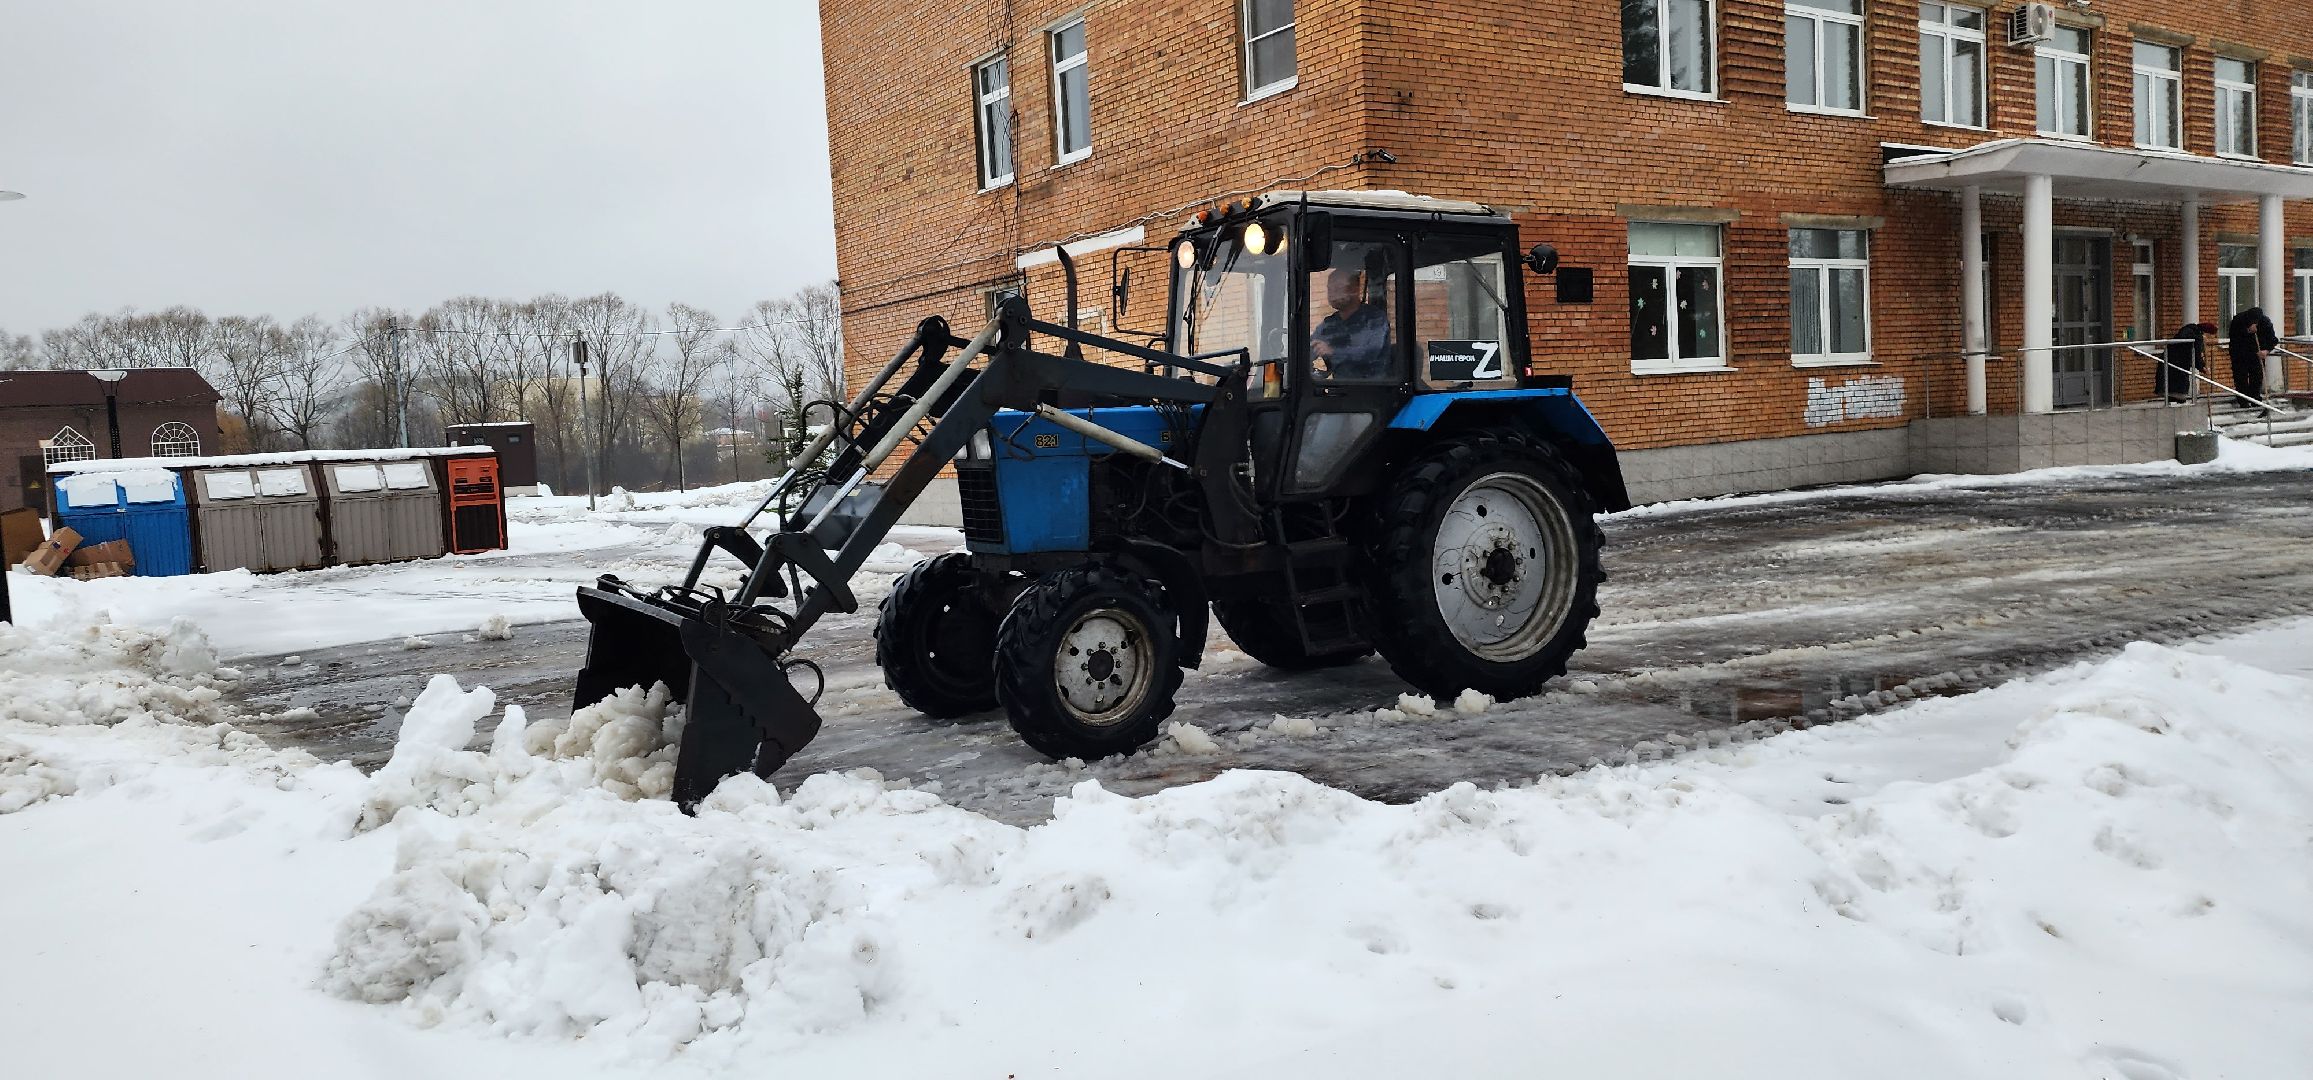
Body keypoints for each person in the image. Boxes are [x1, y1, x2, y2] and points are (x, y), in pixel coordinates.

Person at [1311, 267, 1390, 378]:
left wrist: (1333, 351)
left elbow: (1370, 353)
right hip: (1340, 389)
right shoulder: (1330, 323)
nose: (1333, 293)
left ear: (1355, 289)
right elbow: (1312, 346)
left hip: (1372, 389)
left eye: (1339, 288)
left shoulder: (1374, 319)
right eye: (1330, 289)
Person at [2228, 306, 2279, 407]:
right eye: (2252, 321)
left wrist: (2266, 350)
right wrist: (2247, 331)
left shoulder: (2265, 323)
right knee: (2240, 377)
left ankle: (2255, 399)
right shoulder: (2238, 320)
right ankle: (2243, 401)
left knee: (2257, 377)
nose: (2254, 324)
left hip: (2257, 354)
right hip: (2239, 354)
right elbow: (2233, 338)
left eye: (2256, 322)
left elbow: (2273, 340)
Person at [2160, 321, 2215, 401]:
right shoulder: (2197, 337)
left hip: (2172, 362)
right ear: (2206, 333)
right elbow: (2196, 354)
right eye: (2211, 335)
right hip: (2177, 364)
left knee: (2173, 390)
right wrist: (2202, 367)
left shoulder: (2190, 331)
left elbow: (2196, 355)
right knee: (2178, 391)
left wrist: (2202, 366)